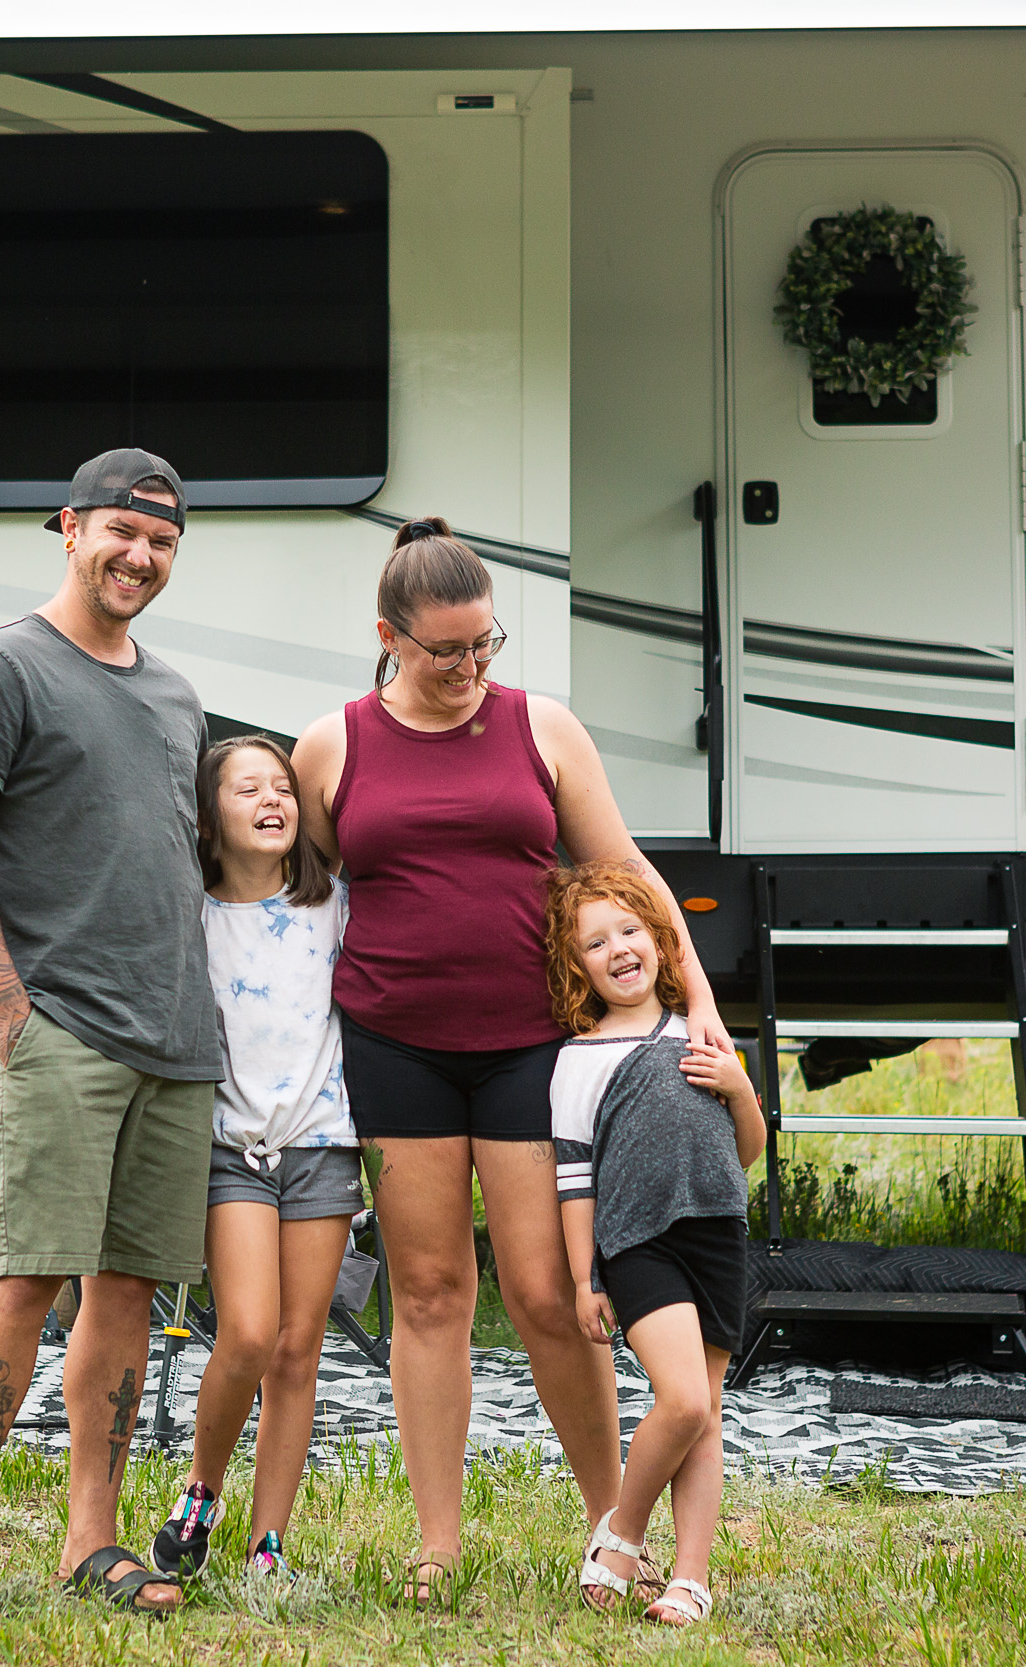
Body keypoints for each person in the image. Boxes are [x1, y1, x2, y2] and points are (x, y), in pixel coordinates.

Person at [290, 516, 726, 1598]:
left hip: (536, 1046)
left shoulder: (543, 728)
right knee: (431, 1289)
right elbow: (303, 895)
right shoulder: (332, 745)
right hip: (395, 1044)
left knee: (545, 1292)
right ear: (388, 638)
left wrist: (699, 1000)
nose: (469, 666)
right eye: (445, 649)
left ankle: (612, 1530)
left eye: (484, 642)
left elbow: (625, 872)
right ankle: (436, 1543)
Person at [0, 448, 220, 1622]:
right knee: (25, 1275)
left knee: (127, 1288)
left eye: (163, 540)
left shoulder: (175, 694)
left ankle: (93, 1537)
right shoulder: (1, 665)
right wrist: (8, 1011)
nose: (140, 556)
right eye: (121, 532)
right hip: (61, 1028)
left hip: (172, 1038)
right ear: (70, 527)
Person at [149, 735, 359, 1581]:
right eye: (248, 789)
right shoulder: (190, 916)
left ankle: (268, 1540)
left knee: (298, 1349)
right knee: (246, 1332)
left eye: (283, 787)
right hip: (230, 1148)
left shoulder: (334, 905)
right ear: (208, 818)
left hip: (322, 1143)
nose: (273, 799)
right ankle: (201, 1488)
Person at [545, 861, 762, 1628]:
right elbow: (575, 1180)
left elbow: (744, 1151)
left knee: (706, 1413)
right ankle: (624, 1533)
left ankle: (690, 1579)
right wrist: (585, 1276)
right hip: (638, 1244)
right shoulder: (578, 1059)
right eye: (596, 942)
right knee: (685, 1399)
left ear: (663, 943)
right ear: (577, 967)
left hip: (717, 1235)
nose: (619, 949)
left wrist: (738, 1087)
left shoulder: (700, 1035)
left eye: (630, 930)